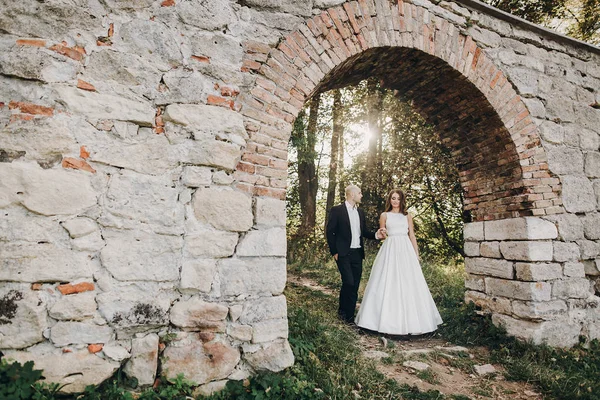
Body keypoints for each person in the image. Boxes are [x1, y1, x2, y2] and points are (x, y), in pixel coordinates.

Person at [355, 189, 442, 335]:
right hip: (390, 249)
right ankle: (380, 322)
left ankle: (413, 324)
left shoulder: (407, 216)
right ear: (390, 200)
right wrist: (382, 232)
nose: (395, 201)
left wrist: (416, 253)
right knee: (387, 281)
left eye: (398, 199)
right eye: (393, 198)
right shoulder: (384, 215)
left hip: (405, 249)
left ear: (402, 201)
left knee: (408, 282)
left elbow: (412, 235)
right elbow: (382, 233)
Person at [326, 185, 386, 324]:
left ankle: (349, 317)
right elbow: (330, 232)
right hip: (343, 253)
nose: (361, 195)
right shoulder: (337, 210)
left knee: (354, 285)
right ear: (352, 195)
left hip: (357, 253)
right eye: (359, 193)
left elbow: (364, 232)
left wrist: (377, 235)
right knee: (348, 282)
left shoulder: (360, 212)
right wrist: (334, 251)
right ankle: (342, 312)